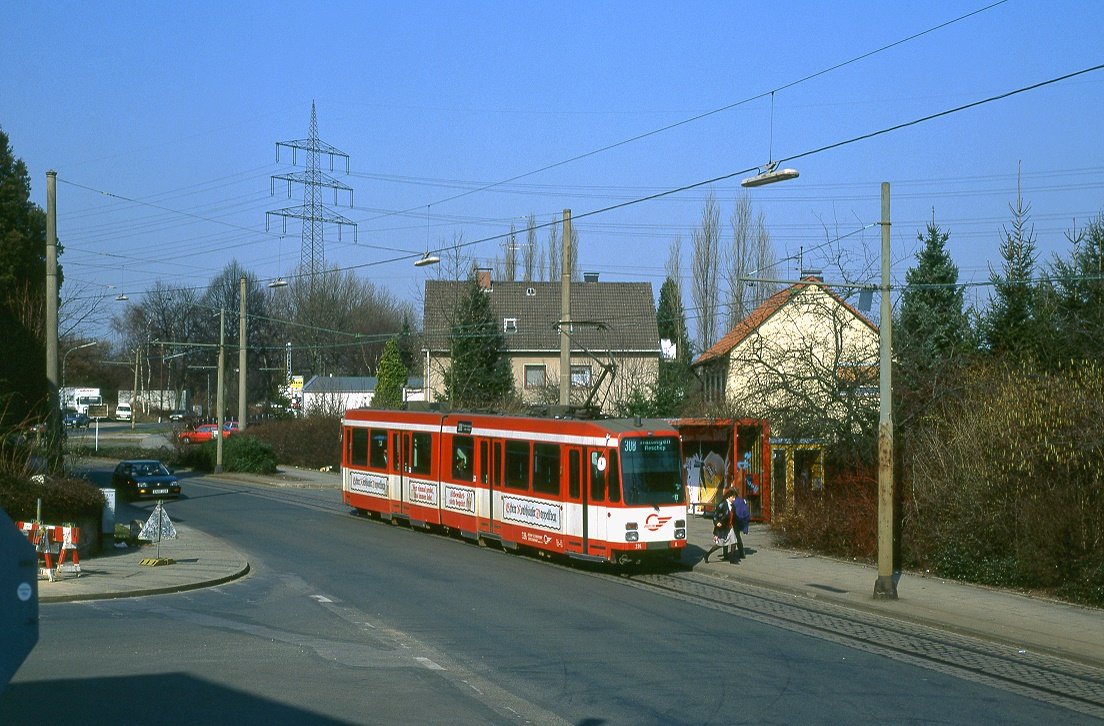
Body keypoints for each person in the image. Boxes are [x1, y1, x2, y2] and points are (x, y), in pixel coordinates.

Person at [704, 487, 745, 564]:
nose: (734, 499)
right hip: (723, 528)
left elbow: (734, 516)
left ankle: (732, 559)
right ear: (729, 497)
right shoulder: (722, 504)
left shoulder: (732, 506)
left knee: (734, 542)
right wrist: (717, 522)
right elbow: (715, 514)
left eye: (735, 498)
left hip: (730, 527)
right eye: (733, 497)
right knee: (719, 544)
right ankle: (707, 555)